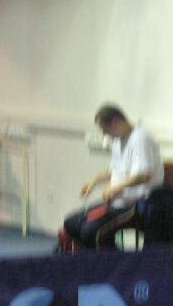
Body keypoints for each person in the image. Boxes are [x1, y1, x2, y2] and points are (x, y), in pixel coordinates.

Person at [60, 104, 163, 250]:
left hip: (135, 205)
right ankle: (88, 258)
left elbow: (144, 175)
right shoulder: (117, 141)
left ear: (115, 122)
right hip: (116, 202)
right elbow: (114, 170)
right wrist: (94, 182)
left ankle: (107, 261)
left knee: (90, 231)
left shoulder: (140, 139)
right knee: (71, 223)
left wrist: (115, 188)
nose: (104, 134)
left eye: (104, 129)